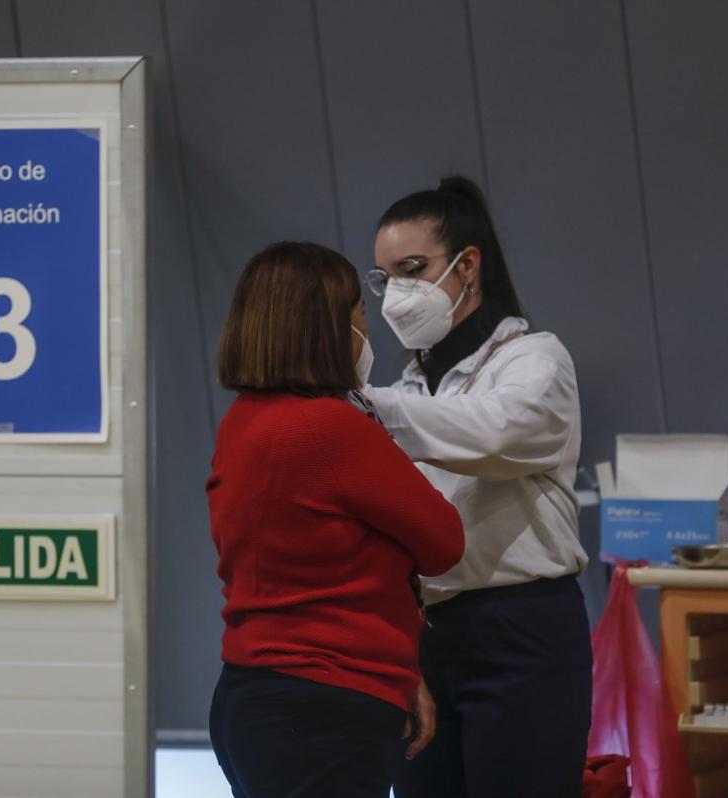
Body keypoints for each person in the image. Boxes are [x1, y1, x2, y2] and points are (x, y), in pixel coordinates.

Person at [207, 241, 465, 798]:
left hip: (254, 695)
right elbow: (444, 540)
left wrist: (398, 675)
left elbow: (316, 575)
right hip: (322, 710)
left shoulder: (243, 420)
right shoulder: (331, 428)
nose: (366, 332)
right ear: (326, 329)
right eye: (360, 314)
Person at [363, 176, 592, 798]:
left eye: (412, 269)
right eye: (385, 279)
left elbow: (493, 435)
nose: (396, 296)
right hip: (426, 637)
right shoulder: (405, 387)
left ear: (467, 266)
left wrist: (363, 406)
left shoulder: (534, 360)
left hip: (522, 630)